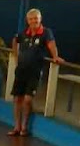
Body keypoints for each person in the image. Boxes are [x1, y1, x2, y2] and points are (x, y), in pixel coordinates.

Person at [8, 8, 60, 137]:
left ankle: (24, 127)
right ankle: (17, 126)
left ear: (40, 19)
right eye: (31, 19)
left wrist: (55, 56)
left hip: (35, 71)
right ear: (27, 20)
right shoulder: (23, 33)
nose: (33, 21)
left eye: (36, 18)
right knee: (17, 99)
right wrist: (16, 55)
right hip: (21, 70)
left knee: (27, 99)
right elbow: (15, 40)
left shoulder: (46, 32)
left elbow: (51, 44)